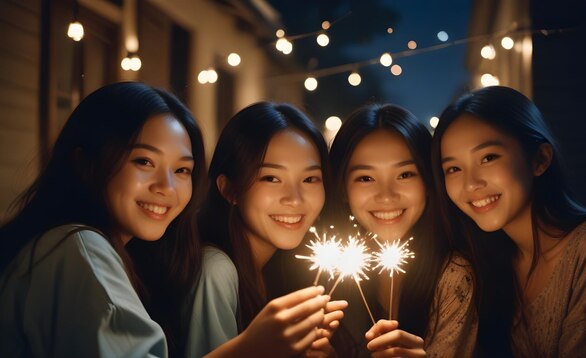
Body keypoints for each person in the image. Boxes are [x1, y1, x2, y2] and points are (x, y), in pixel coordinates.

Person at [0, 81, 209, 357]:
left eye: (182, 170)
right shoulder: (78, 248)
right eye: (144, 161)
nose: (166, 187)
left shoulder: (96, 250)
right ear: (86, 162)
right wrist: (249, 347)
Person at [431, 85, 586, 357]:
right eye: (453, 168)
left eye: (488, 157)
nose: (470, 184)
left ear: (540, 159)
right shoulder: (487, 267)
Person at [191, 102, 348, 357]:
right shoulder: (215, 268)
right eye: (271, 178)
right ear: (229, 189)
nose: (295, 199)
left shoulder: (282, 270)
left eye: (310, 179)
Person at [324, 104, 477, 357]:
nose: (387, 196)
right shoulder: (333, 274)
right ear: (342, 190)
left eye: (405, 174)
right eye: (365, 178)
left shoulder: (454, 276)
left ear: (428, 182)